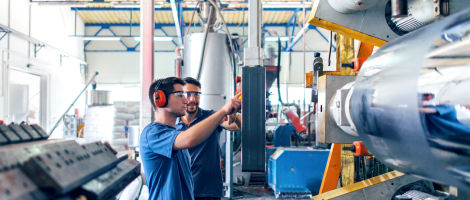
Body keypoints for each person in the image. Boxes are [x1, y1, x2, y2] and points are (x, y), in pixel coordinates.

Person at [139, 77, 241, 200]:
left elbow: (235, 125)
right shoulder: (152, 133)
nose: (188, 100)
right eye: (181, 95)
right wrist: (223, 111)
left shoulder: (175, 132)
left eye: (195, 95)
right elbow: (189, 140)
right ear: (160, 99)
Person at [176, 77, 241, 200]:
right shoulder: (173, 124)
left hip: (208, 191)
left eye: (196, 95)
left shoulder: (211, 117)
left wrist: (235, 116)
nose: (193, 100)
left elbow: (236, 125)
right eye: (188, 94)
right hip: (182, 190)